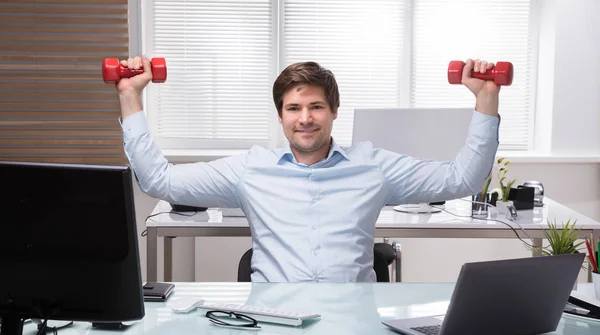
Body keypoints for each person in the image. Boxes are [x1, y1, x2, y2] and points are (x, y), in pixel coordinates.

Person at [117, 56, 500, 283]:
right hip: (274, 322)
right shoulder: (251, 169)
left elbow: (462, 179)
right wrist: (129, 96)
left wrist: (487, 98)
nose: (305, 119)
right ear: (280, 116)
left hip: (356, 321)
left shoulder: (373, 167)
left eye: (316, 106)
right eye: (294, 109)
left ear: (334, 112)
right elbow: (159, 180)